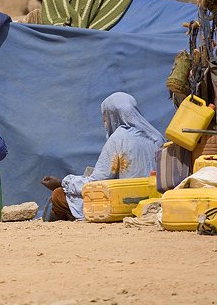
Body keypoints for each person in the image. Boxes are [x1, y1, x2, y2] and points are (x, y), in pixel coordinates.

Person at [42, 92, 163, 221]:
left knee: (58, 195)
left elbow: (97, 181)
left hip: (123, 202)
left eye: (105, 116)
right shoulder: (157, 137)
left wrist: (63, 182)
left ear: (112, 115)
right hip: (153, 201)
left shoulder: (118, 138)